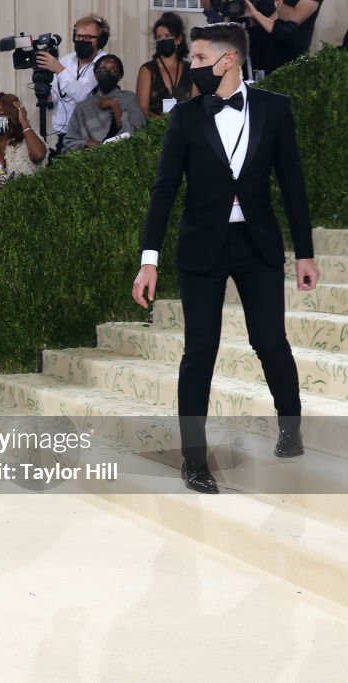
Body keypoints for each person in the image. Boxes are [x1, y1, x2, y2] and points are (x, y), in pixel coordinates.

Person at [132, 23, 318, 494]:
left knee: (270, 342)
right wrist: (148, 259)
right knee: (199, 353)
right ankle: (193, 460)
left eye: (197, 59)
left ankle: (290, 426)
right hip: (202, 246)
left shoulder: (275, 109)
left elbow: (292, 185)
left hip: (257, 246)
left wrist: (305, 254)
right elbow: (164, 190)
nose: (191, 68)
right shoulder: (186, 117)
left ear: (227, 60)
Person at [37, 14, 111, 151]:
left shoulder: (106, 63)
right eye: (79, 37)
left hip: (91, 139)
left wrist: (58, 69)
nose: (82, 41)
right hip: (64, 138)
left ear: (100, 40)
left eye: (88, 37)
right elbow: (54, 95)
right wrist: (47, 96)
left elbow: (83, 97)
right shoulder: (66, 60)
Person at [63, 55, 146, 152]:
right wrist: (86, 143)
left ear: (120, 76)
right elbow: (68, 144)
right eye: (102, 71)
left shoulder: (129, 98)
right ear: (95, 75)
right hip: (92, 160)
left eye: (113, 71)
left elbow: (139, 134)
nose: (107, 74)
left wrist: (115, 106)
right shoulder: (83, 107)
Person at [137, 12, 196, 119]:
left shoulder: (191, 70)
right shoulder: (147, 70)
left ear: (178, 39)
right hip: (154, 131)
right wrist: (163, 124)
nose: (163, 40)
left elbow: (196, 105)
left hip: (185, 129)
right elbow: (142, 108)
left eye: (168, 36)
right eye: (159, 37)